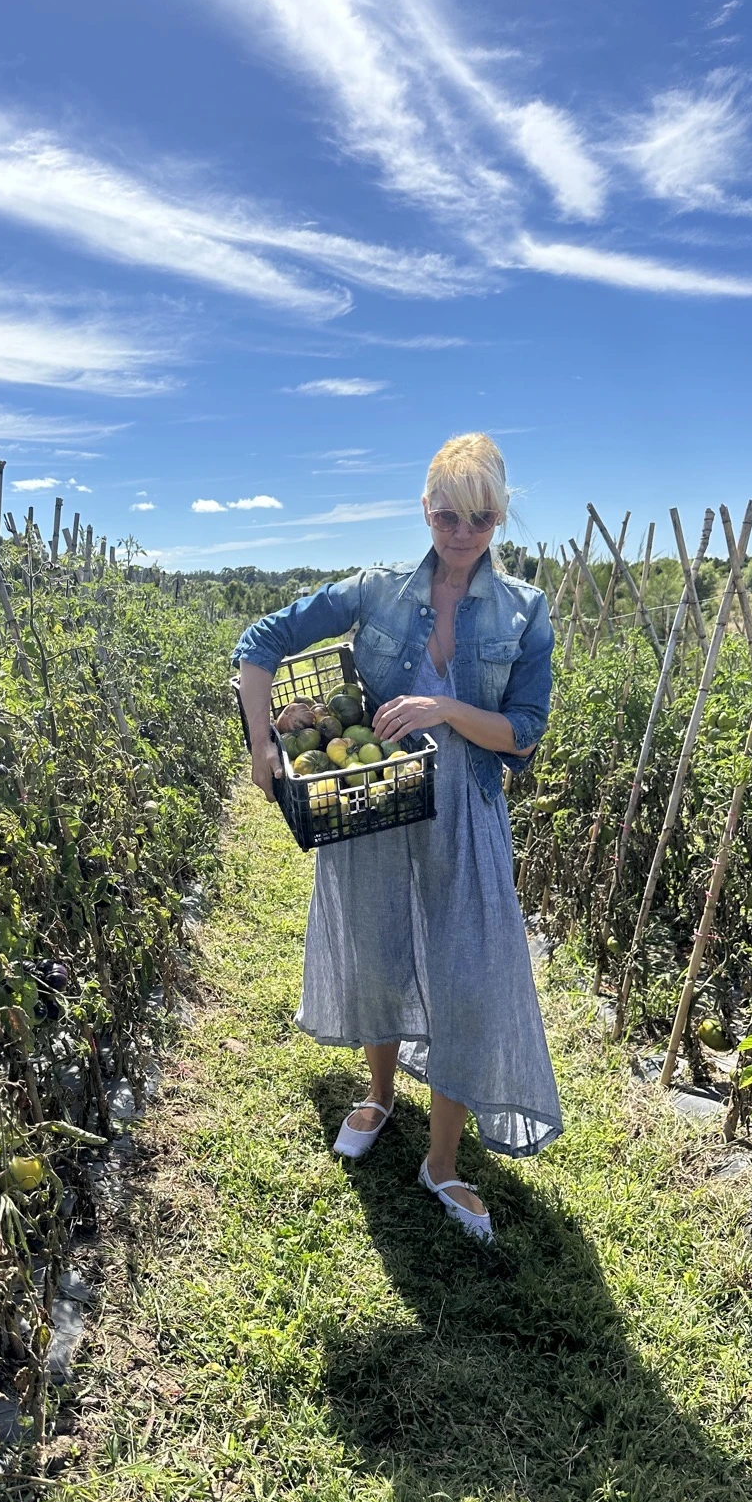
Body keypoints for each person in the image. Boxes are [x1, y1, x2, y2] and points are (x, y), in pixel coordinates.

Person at [234, 432, 562, 1243]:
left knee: (470, 981)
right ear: (425, 509)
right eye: (448, 514)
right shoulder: (378, 591)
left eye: (480, 517)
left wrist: (444, 710)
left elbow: (523, 733)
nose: (462, 532)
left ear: (499, 518)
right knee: (378, 952)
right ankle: (380, 1095)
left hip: (467, 818)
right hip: (372, 804)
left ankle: (442, 1162)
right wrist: (263, 745)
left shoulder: (524, 611)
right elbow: (260, 644)